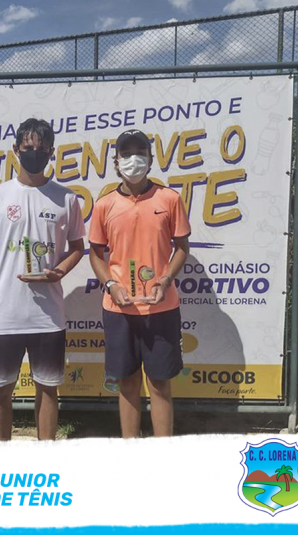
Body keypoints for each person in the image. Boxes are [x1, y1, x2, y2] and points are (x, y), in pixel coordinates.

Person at [0, 118, 85, 441]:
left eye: (41, 149)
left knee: (47, 389)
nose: (34, 153)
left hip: (48, 316)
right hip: (4, 313)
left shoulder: (66, 199)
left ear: (52, 152)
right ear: (15, 150)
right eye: (28, 147)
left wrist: (59, 271)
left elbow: (78, 248)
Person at [89, 129, 190, 438]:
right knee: (128, 382)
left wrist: (166, 279)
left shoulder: (169, 199)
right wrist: (111, 285)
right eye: (126, 154)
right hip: (119, 310)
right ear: (116, 161)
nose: (133, 160)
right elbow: (95, 254)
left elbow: (182, 248)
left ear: (150, 159)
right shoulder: (104, 205)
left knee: (159, 383)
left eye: (140, 153)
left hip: (161, 307)